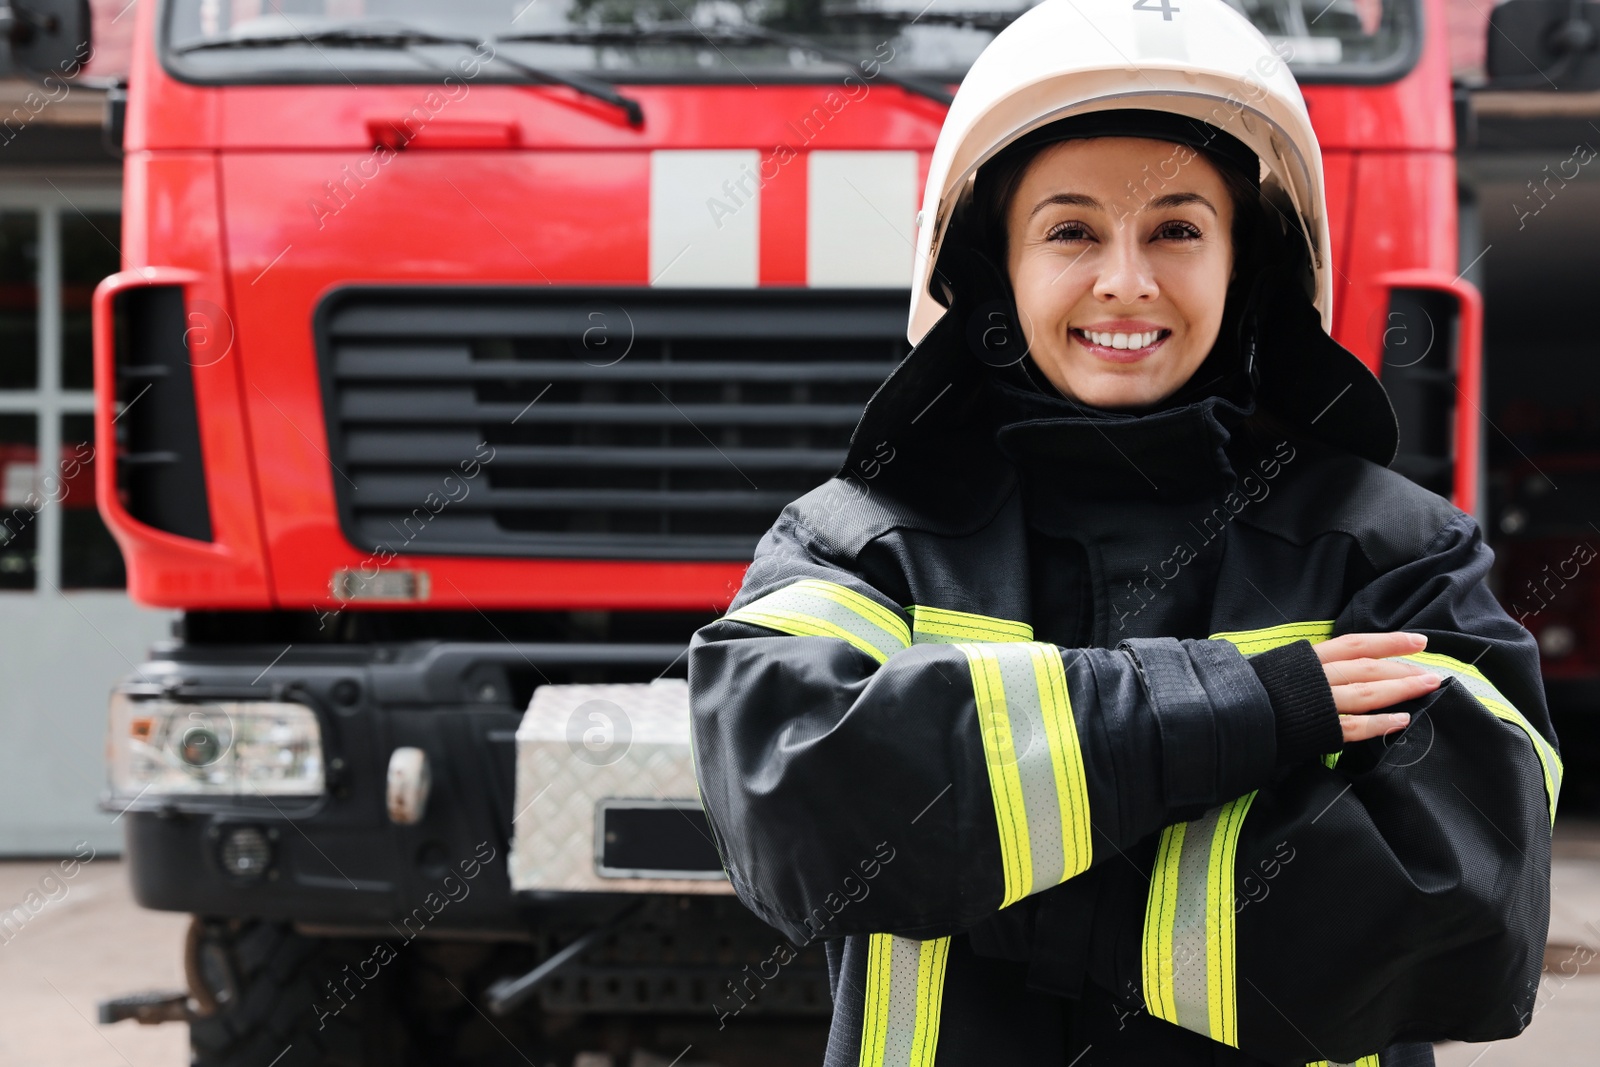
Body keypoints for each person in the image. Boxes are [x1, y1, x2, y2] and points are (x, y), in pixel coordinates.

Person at [687, 1, 1560, 1064]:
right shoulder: (859, 546)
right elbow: (801, 814)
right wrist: (1249, 707)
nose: (1125, 280)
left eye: (1177, 229)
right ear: (993, 270)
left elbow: (1453, 913)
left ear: (1247, 263)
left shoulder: (1400, 556)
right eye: (1069, 231)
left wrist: (996, 880)